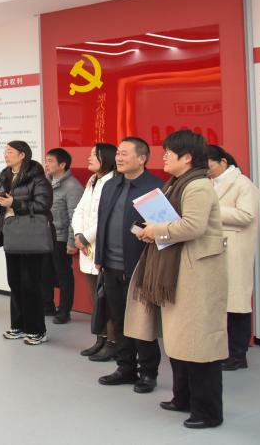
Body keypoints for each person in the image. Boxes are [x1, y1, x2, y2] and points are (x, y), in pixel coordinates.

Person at [126, 130, 227, 429]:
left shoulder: (198, 186)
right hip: (178, 269)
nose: (165, 157)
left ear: (188, 157)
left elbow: (193, 226)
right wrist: (151, 231)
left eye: (170, 152)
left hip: (196, 273)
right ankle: (182, 398)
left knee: (199, 344)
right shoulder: (175, 183)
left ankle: (208, 411)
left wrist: (155, 230)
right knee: (180, 340)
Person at [93, 137, 163, 393]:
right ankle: (125, 368)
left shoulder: (154, 187)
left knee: (142, 322)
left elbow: (161, 228)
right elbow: (102, 222)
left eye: (124, 153)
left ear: (142, 158)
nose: (119, 158)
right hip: (110, 264)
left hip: (139, 266)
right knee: (119, 319)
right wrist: (99, 257)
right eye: (118, 153)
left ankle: (148, 372)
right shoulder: (111, 184)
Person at [0, 140, 54, 346]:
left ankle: (37, 330)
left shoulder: (38, 178)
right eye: (5, 151)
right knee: (14, 282)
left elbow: (43, 205)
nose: (6, 155)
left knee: (30, 284)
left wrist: (14, 203)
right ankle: (18, 325)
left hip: (30, 236)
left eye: (10, 152)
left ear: (22, 154)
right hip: (11, 234)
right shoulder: (6, 175)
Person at [207, 145, 259, 371]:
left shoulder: (243, 184)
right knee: (221, 304)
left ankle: (238, 355)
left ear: (223, 162)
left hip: (235, 251)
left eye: (209, 164)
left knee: (237, 304)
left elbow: (246, 215)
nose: (206, 169)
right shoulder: (211, 183)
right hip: (217, 249)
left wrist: (212, 211)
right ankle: (225, 351)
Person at [70, 142, 118, 358]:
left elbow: (106, 217)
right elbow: (79, 210)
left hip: (101, 247)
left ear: (106, 158)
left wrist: (85, 237)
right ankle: (101, 338)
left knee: (107, 298)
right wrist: (78, 234)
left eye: (94, 155)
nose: (89, 158)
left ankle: (113, 342)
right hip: (86, 247)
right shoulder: (92, 180)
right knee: (95, 297)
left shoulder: (114, 182)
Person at [42, 147, 83, 324]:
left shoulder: (73, 187)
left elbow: (75, 216)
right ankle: (47, 306)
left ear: (62, 165)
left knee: (63, 275)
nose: (46, 164)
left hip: (61, 237)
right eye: (46, 160)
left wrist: (72, 241)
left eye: (50, 161)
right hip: (45, 236)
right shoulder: (45, 182)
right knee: (45, 272)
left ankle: (64, 311)